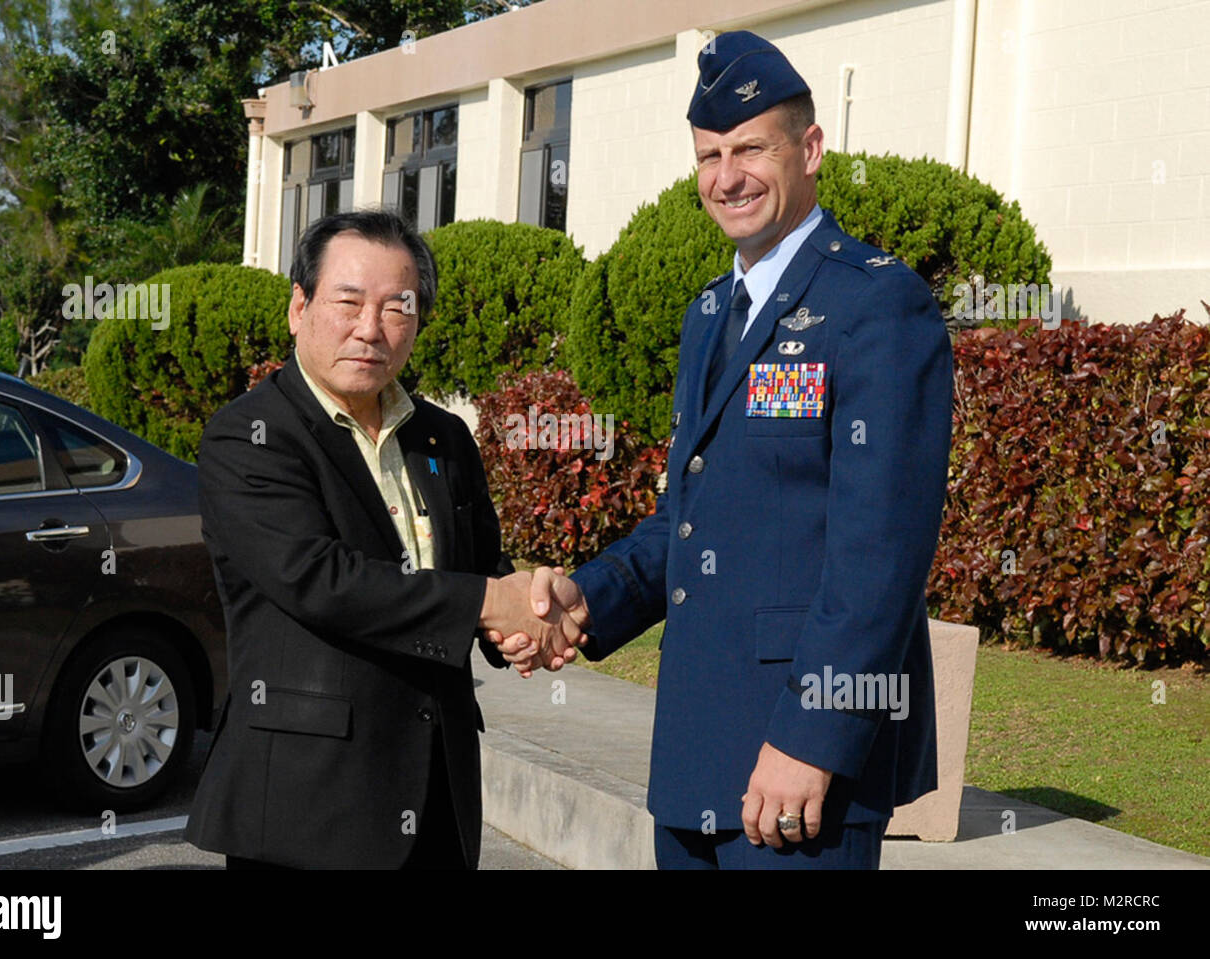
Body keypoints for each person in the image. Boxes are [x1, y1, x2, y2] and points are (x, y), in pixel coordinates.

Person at [503, 31, 953, 869]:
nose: (727, 177)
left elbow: (880, 553)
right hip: (695, 747)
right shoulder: (711, 313)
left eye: (750, 148)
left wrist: (812, 739)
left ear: (810, 149)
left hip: (798, 766)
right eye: (709, 155)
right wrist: (584, 599)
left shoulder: (877, 304)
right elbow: (689, 517)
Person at [183, 209, 583, 869]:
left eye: (397, 307)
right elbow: (322, 580)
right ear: (298, 308)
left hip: (435, 791)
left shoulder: (443, 437)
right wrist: (488, 602)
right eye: (347, 302)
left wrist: (522, 620)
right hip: (306, 805)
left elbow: (483, 566)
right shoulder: (250, 436)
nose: (370, 328)